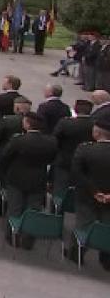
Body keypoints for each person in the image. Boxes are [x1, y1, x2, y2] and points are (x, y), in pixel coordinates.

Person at [0, 112, 57, 249]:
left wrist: (1, 174)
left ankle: (12, 237)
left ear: (27, 124)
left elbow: (6, 157)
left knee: (15, 208)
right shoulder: (51, 142)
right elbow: (52, 159)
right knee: (34, 210)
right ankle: (29, 240)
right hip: (38, 180)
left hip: (16, 179)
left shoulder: (18, 140)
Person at [66, 112, 110, 268]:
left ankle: (76, 254)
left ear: (97, 133)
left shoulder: (85, 149)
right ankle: (106, 259)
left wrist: (94, 192)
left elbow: (77, 172)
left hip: (87, 195)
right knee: (107, 227)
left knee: (83, 224)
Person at [52, 98, 94, 194]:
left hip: (65, 160)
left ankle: (58, 206)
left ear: (75, 109)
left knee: (60, 188)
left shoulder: (65, 123)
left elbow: (55, 139)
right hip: (87, 162)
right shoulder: (94, 124)